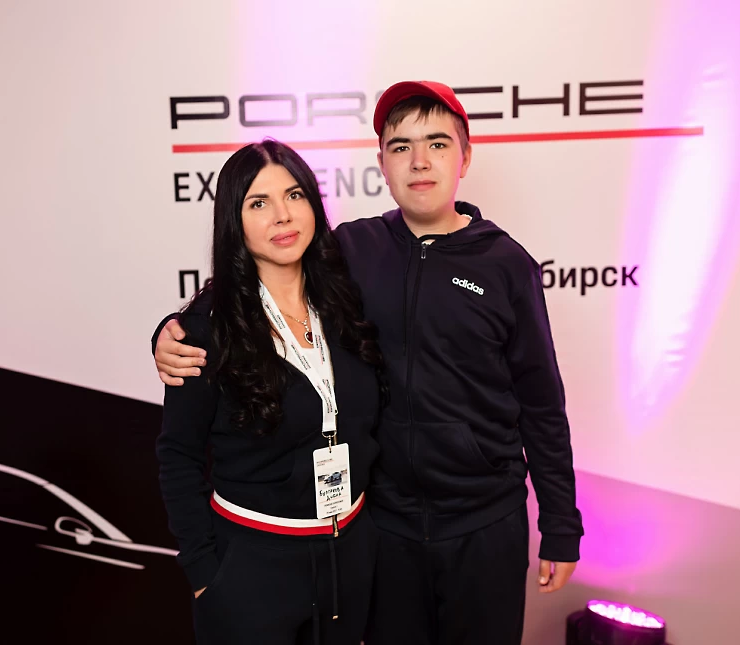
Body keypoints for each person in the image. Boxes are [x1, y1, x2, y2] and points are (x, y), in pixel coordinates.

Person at [154, 81, 583, 645]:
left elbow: (542, 404)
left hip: (483, 523)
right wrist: (170, 332)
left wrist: (560, 524)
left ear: (465, 156)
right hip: (384, 528)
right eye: (401, 146)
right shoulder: (351, 250)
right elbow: (254, 280)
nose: (420, 161)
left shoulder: (506, 265)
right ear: (381, 162)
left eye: (437, 143)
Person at [155, 139, 386, 645]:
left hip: (349, 558)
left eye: (294, 195)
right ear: (233, 221)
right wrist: (204, 576)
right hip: (252, 573)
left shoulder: (347, 301)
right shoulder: (205, 331)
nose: (282, 215)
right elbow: (178, 455)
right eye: (259, 203)